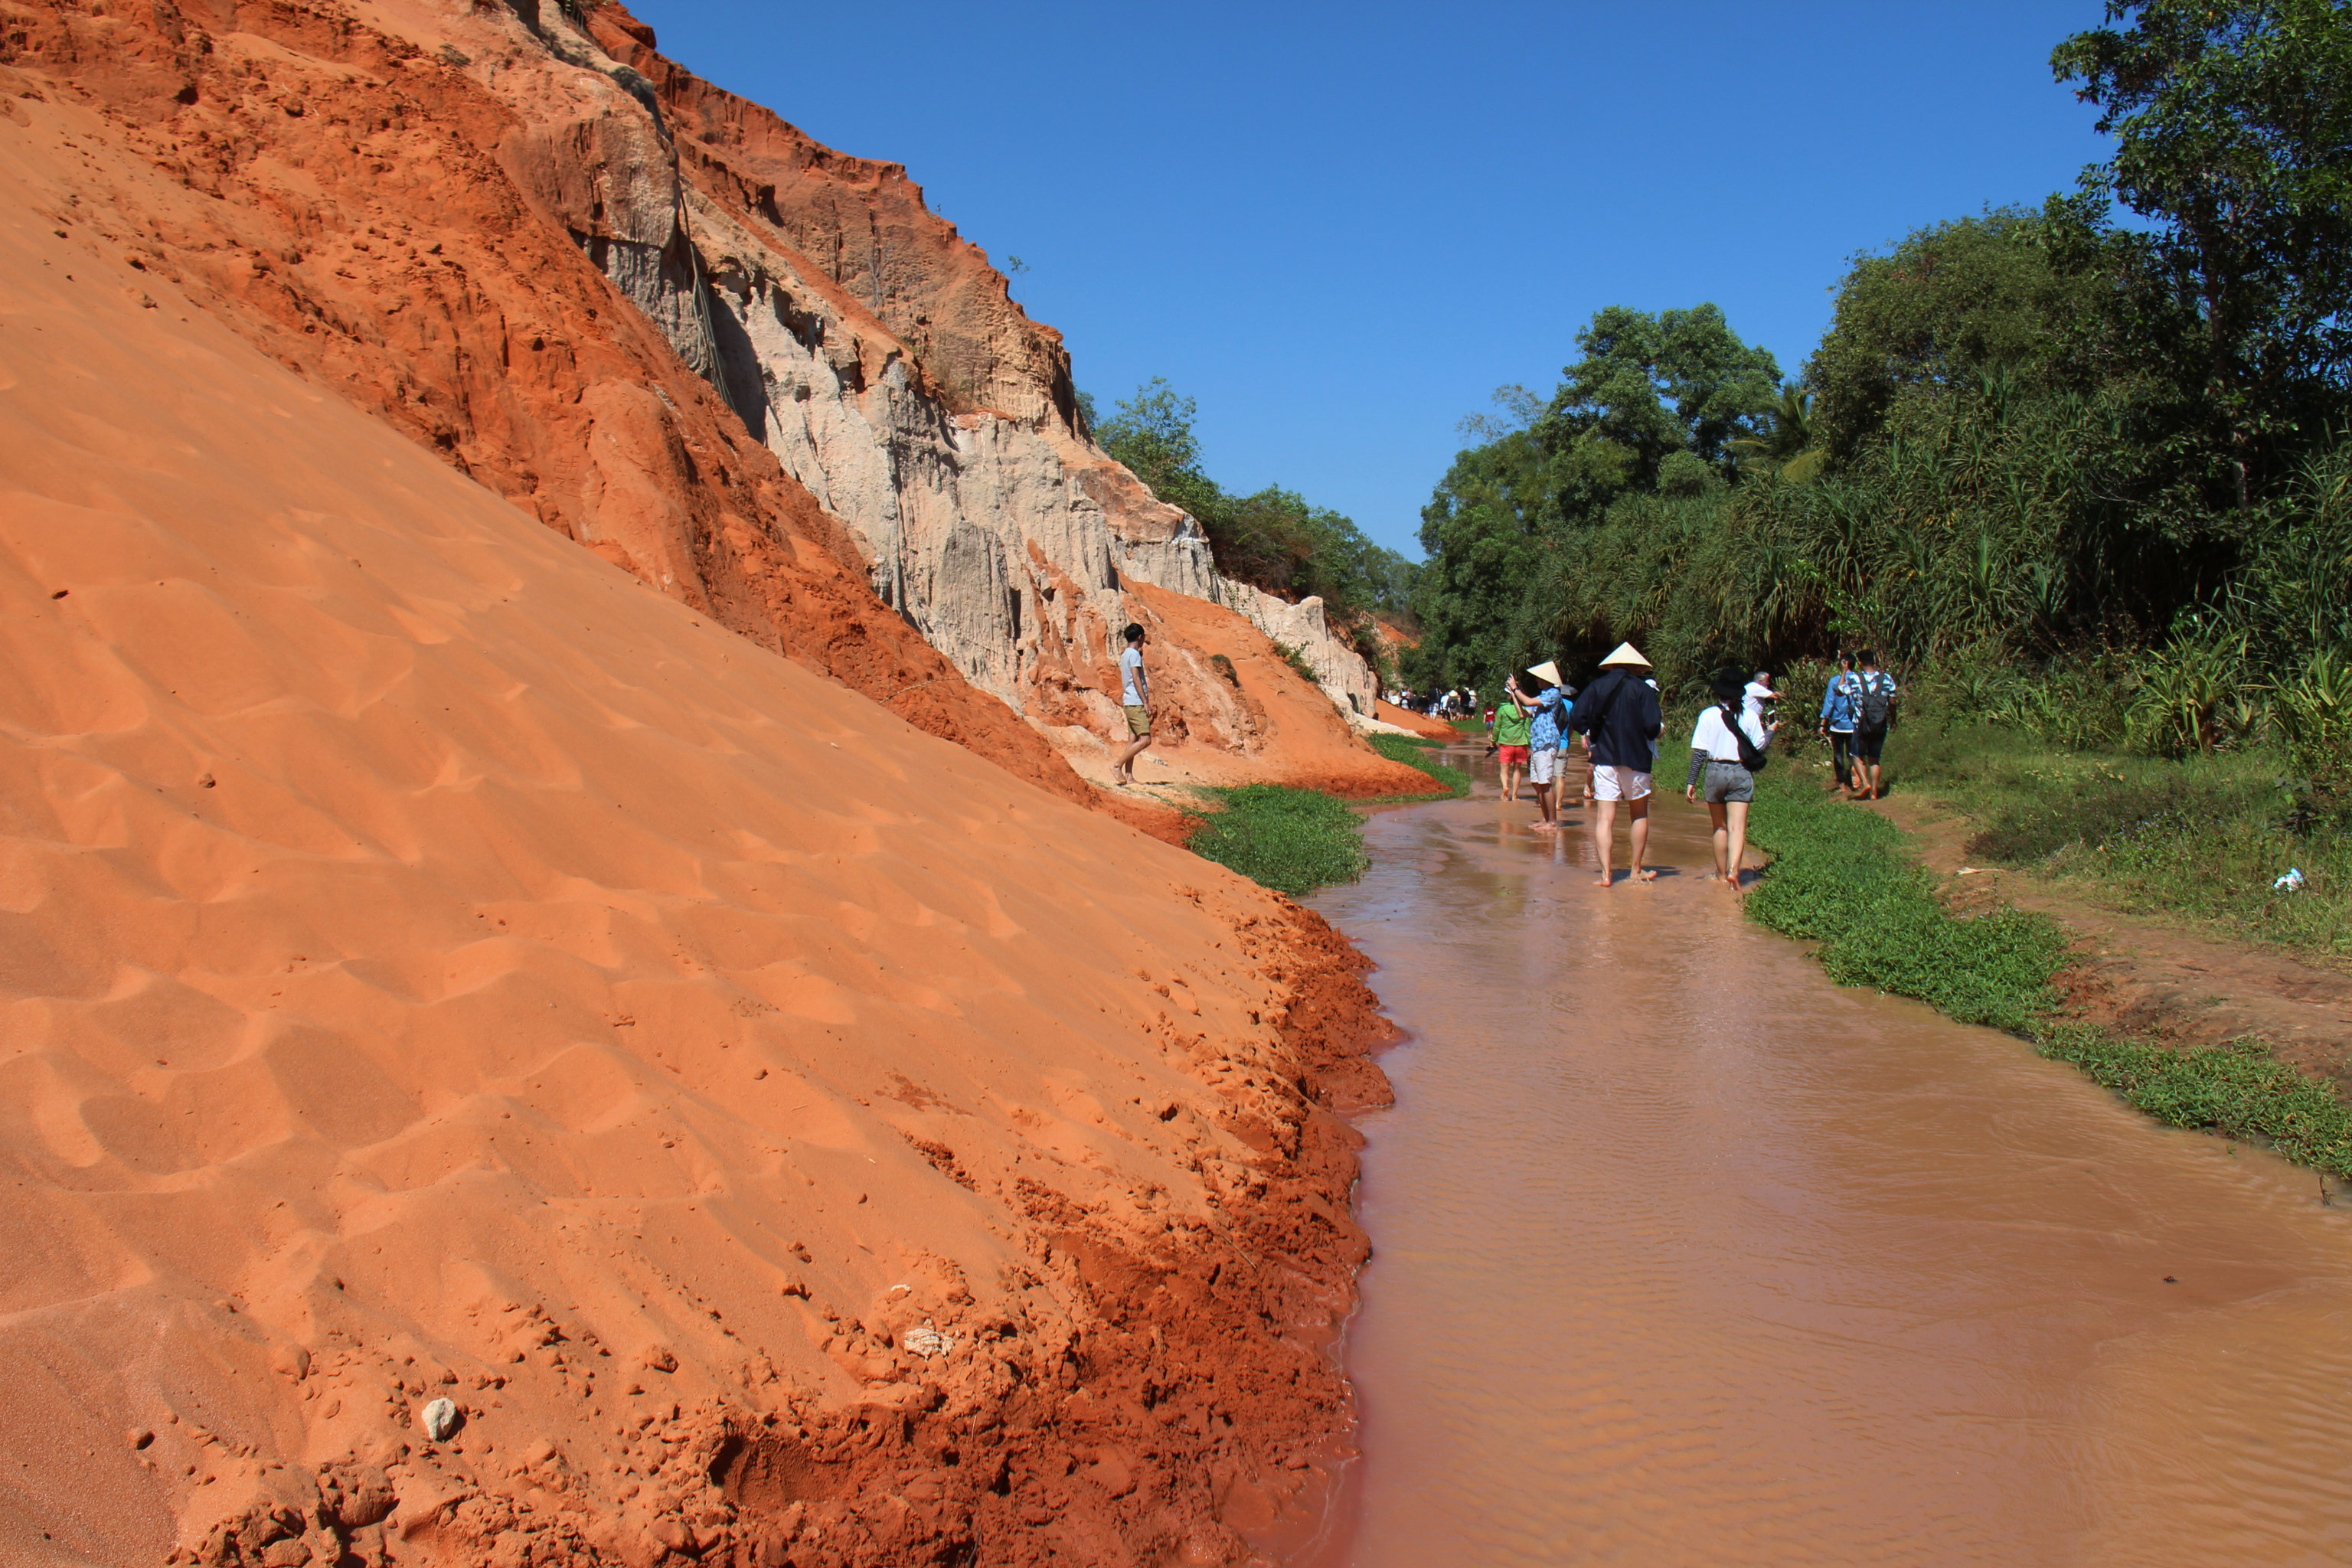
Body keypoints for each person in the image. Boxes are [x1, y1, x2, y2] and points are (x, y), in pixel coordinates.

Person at [1566, 642, 1664, 886]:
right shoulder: (1644, 690)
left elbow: (1577, 717)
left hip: (1604, 759)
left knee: (1604, 819)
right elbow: (1652, 726)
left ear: (1611, 666)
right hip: (1637, 759)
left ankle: (1606, 874)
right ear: (1636, 667)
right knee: (1639, 814)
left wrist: (1592, 730)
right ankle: (1635, 870)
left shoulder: (1596, 687)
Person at [1687, 670, 1776, 891]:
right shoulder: (1750, 716)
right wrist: (1771, 732)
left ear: (1719, 693)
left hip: (1715, 771)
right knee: (1738, 828)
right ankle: (1734, 872)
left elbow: (1700, 753)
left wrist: (1691, 781)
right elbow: (1760, 747)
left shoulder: (1708, 715)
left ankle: (1720, 875)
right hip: (1741, 771)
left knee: (1720, 827)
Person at [1516, 662, 1570, 831]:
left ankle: (1552, 821)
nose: (1536, 680)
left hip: (1547, 743)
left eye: (1539, 678)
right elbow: (1523, 713)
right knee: (1537, 783)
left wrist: (1516, 690)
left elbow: (1528, 701)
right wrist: (1514, 694)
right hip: (1538, 744)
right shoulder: (1543, 695)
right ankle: (1546, 819)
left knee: (1545, 783)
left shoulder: (1553, 694)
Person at [1849, 649, 1900, 801]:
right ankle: (1874, 793)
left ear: (1860, 663)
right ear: (1874, 660)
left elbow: (1840, 691)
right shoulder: (1887, 678)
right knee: (1874, 758)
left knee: (1856, 755)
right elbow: (1893, 702)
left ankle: (1865, 783)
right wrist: (1893, 719)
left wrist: (1845, 671)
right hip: (1880, 723)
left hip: (1861, 724)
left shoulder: (1854, 679)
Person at [1113, 622, 1154, 786]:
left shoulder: (1126, 654)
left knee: (1133, 738)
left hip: (1129, 701)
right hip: (1136, 702)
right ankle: (1117, 765)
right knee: (1145, 740)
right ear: (1140, 637)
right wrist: (1145, 702)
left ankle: (1129, 776)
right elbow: (1136, 678)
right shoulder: (1135, 655)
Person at [1818, 654, 1860, 795]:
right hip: (1854, 724)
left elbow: (1829, 703)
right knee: (1854, 754)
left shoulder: (1835, 681)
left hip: (1837, 725)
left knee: (1838, 755)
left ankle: (1842, 784)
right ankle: (1857, 780)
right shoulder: (1859, 680)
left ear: (1843, 663)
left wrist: (1823, 724)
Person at [1492, 674, 1533, 801]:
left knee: (1504, 770)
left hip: (1506, 743)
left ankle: (1505, 787)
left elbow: (1497, 727)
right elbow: (1527, 729)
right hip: (1520, 743)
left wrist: (1493, 741)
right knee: (1517, 770)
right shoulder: (1524, 710)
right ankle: (1515, 795)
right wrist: (1530, 744)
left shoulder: (1502, 709)